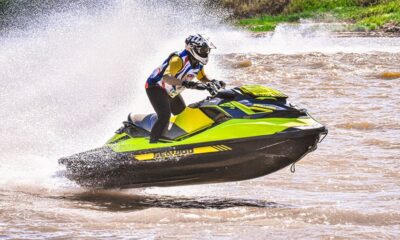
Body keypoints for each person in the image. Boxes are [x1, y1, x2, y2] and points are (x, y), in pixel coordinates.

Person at [145, 34, 226, 143]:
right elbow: (166, 78)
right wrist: (189, 84)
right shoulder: (178, 59)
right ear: (192, 48)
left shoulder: (198, 63)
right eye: (203, 49)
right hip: (155, 87)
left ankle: (179, 140)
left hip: (170, 91)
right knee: (164, 116)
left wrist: (213, 82)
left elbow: (202, 77)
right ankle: (153, 144)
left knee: (183, 115)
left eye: (207, 50)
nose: (206, 52)